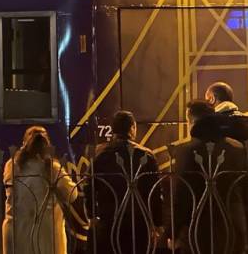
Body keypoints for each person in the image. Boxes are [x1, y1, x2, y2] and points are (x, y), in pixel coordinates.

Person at [172, 100, 248, 254]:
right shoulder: (237, 148)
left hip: (198, 226)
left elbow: (182, 195)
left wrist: (173, 231)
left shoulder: (185, 151)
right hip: (232, 223)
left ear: (192, 121)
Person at [84, 111, 162, 254]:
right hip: (138, 221)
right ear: (132, 128)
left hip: (109, 220)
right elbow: (155, 192)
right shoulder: (146, 155)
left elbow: (89, 187)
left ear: (112, 130)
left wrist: (92, 215)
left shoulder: (100, 155)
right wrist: (157, 222)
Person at [2, 126, 77, 254]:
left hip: (16, 233)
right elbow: (72, 194)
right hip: (47, 235)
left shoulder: (12, 165)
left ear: (24, 144)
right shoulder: (52, 168)